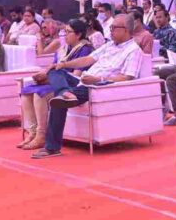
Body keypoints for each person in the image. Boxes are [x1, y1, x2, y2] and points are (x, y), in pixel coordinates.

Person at [32, 15, 144, 159]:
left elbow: (128, 77)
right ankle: (66, 92)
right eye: (111, 27)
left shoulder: (134, 50)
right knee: (54, 70)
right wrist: (64, 64)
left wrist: (99, 79)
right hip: (83, 80)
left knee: (58, 101)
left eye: (114, 28)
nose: (110, 31)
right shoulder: (109, 45)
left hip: (98, 86)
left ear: (127, 30)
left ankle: (52, 148)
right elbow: (88, 59)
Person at [17, 20, 94, 150]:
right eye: (65, 31)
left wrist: (51, 76)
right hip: (56, 80)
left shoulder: (85, 49)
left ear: (79, 34)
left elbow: (76, 75)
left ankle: (42, 135)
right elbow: (53, 67)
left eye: (69, 32)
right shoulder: (63, 49)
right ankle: (33, 132)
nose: (65, 35)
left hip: (70, 83)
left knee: (39, 93)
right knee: (26, 91)